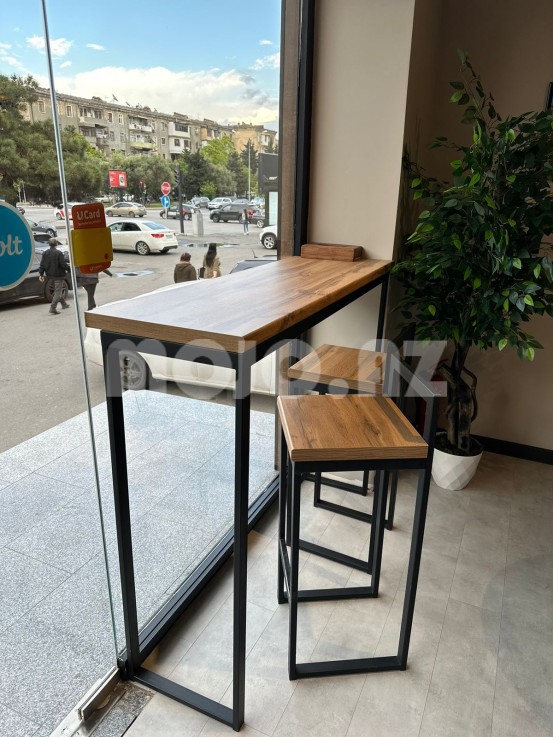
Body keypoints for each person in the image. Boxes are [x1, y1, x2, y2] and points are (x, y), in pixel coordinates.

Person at [39, 238, 70, 315]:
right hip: (58, 276)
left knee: (57, 291)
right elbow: (63, 265)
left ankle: (64, 304)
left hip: (50, 276)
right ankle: (53, 308)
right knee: (58, 292)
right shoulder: (59, 253)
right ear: (56, 244)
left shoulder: (45, 253)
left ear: (49, 244)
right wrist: (70, 270)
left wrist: (41, 274)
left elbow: (42, 265)